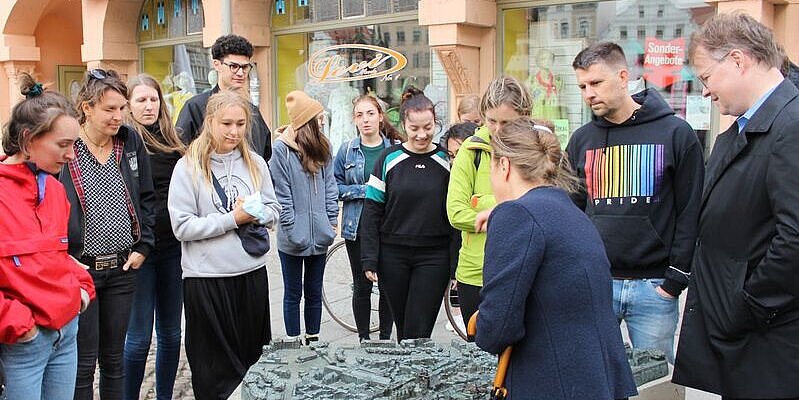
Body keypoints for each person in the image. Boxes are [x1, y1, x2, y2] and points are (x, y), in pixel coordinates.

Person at [672, 13, 799, 399]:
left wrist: (747, 305)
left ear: (739, 61)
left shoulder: (791, 125)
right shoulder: (740, 128)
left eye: (707, 77)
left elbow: (795, 237)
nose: (705, 91)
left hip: (767, 342)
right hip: (740, 338)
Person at [475, 117, 637, 400]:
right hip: (596, 380)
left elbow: (497, 329)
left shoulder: (516, 214)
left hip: (552, 381)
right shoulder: (573, 213)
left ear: (504, 166)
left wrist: (482, 324)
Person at [566, 42, 704, 364]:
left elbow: (690, 212)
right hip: (597, 283)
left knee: (655, 387)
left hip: (654, 287)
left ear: (624, 76)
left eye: (596, 83)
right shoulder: (581, 140)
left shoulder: (676, 133)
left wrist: (674, 281)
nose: (589, 93)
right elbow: (569, 210)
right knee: (595, 378)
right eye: (583, 86)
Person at [168, 90, 279, 400]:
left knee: (253, 366)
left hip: (251, 276)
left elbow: (274, 210)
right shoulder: (188, 166)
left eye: (241, 124)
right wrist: (234, 218)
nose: (234, 132)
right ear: (210, 122)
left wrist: (257, 214)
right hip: (207, 281)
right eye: (226, 123)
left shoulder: (255, 161)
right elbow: (182, 226)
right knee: (213, 372)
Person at [58, 68, 155, 400]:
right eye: (110, 109)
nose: (119, 116)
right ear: (87, 107)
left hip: (122, 270)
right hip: (81, 272)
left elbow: (146, 197)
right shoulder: (68, 150)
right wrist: (64, 260)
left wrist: (144, 245)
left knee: (114, 360)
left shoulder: (129, 142)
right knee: (83, 364)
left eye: (121, 108)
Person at [0, 74, 96, 400]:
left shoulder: (55, 190)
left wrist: (81, 289)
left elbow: (61, 257)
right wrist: (18, 324)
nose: (71, 156)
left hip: (66, 336)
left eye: (74, 145)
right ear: (28, 140)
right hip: (23, 345)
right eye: (63, 145)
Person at [360, 87, 455, 341]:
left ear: (436, 123)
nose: (422, 135)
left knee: (420, 330)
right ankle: (408, 376)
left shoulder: (448, 160)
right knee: (403, 328)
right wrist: (369, 258)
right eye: (414, 129)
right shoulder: (388, 159)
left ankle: (416, 375)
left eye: (428, 127)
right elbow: (371, 210)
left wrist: (455, 264)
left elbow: (456, 216)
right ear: (404, 125)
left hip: (434, 256)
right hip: (393, 255)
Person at [447, 76, 534, 331]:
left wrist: (482, 204)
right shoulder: (470, 151)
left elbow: (543, 209)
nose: (497, 130)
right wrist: (506, 209)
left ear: (525, 116)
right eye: (491, 120)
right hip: (475, 272)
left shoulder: (536, 151)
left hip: (523, 270)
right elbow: (455, 212)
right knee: (479, 358)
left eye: (506, 122)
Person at [122, 74, 185, 400]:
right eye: (141, 100)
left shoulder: (174, 141)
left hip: (173, 248)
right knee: (138, 337)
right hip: (138, 252)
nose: (148, 106)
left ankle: (164, 397)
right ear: (129, 105)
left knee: (172, 333)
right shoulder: (124, 142)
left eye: (153, 99)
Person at [270, 90, 338, 345]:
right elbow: (281, 195)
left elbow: (330, 186)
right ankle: (292, 342)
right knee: (292, 292)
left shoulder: (323, 146)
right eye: (317, 117)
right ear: (306, 120)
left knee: (314, 292)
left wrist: (331, 222)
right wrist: (292, 228)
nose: (321, 121)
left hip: (319, 234)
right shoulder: (281, 152)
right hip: (292, 238)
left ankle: (313, 339)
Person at [333, 94, 401, 341]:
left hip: (388, 228)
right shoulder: (347, 150)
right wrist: (364, 190)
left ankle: (384, 339)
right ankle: (364, 338)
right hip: (358, 228)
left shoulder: (393, 150)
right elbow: (335, 186)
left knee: (388, 286)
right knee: (362, 285)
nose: (366, 120)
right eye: (360, 115)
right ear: (354, 119)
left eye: (370, 113)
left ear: (380, 117)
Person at [176, 34, 272, 161]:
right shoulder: (195, 107)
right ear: (216, 64)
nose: (240, 73)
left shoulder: (253, 111)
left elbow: (264, 155)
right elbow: (180, 152)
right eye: (234, 66)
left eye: (245, 67)